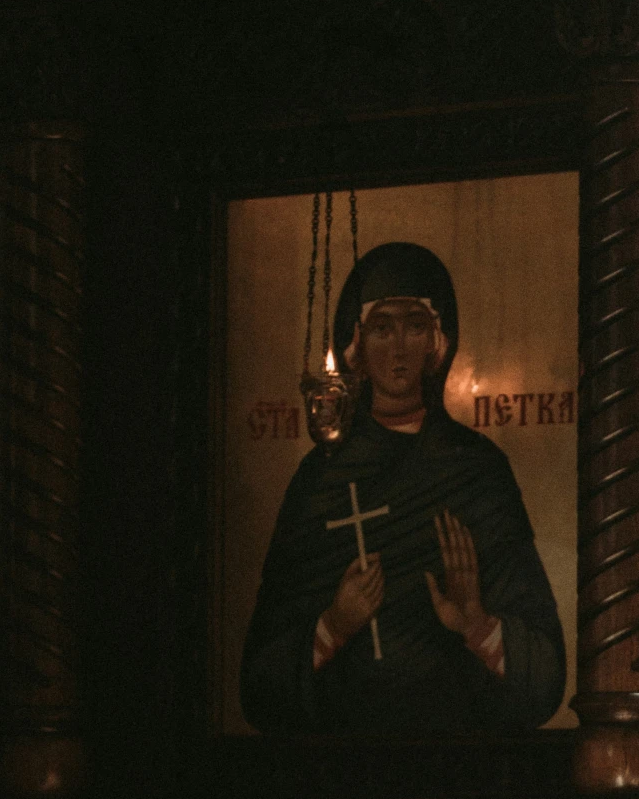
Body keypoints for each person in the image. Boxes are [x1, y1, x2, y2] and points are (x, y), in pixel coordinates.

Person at [241, 241, 566, 735]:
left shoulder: (477, 471)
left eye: (414, 326)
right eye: (381, 328)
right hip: (334, 768)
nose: (398, 348)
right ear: (357, 345)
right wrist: (333, 625)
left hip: (461, 762)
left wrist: (476, 624)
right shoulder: (319, 480)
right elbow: (259, 688)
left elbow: (544, 678)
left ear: (437, 342)